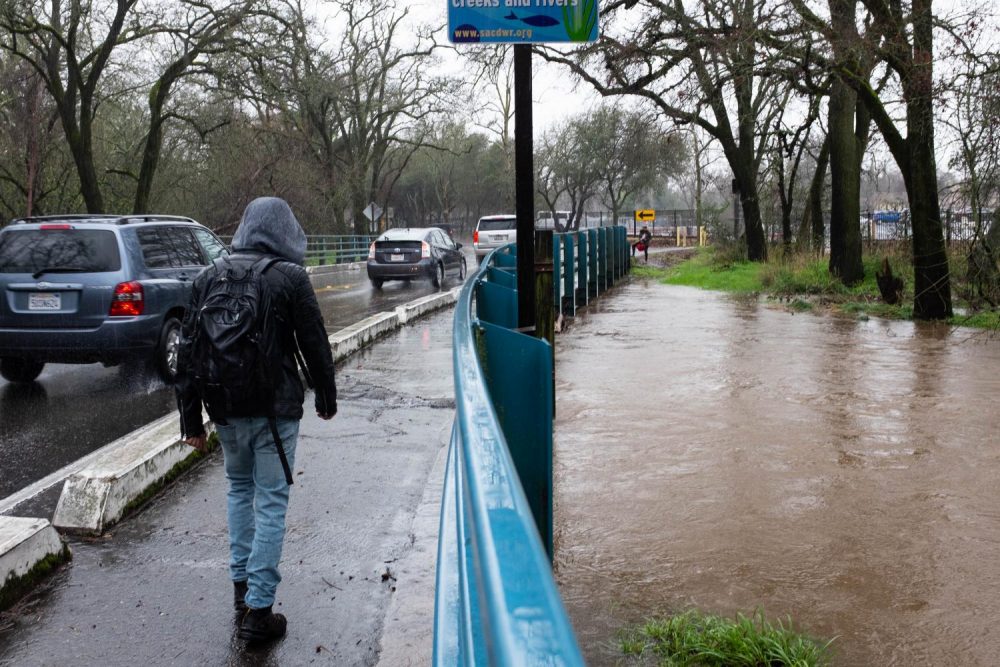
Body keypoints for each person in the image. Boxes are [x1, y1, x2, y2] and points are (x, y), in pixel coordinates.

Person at [175, 197, 338, 643]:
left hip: (223, 409)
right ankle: (259, 612)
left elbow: (187, 351)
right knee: (269, 502)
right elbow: (314, 345)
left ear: (245, 228)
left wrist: (190, 421)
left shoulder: (209, 276)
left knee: (238, 490)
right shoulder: (290, 278)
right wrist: (327, 396)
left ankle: (241, 590)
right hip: (275, 411)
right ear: (287, 231)